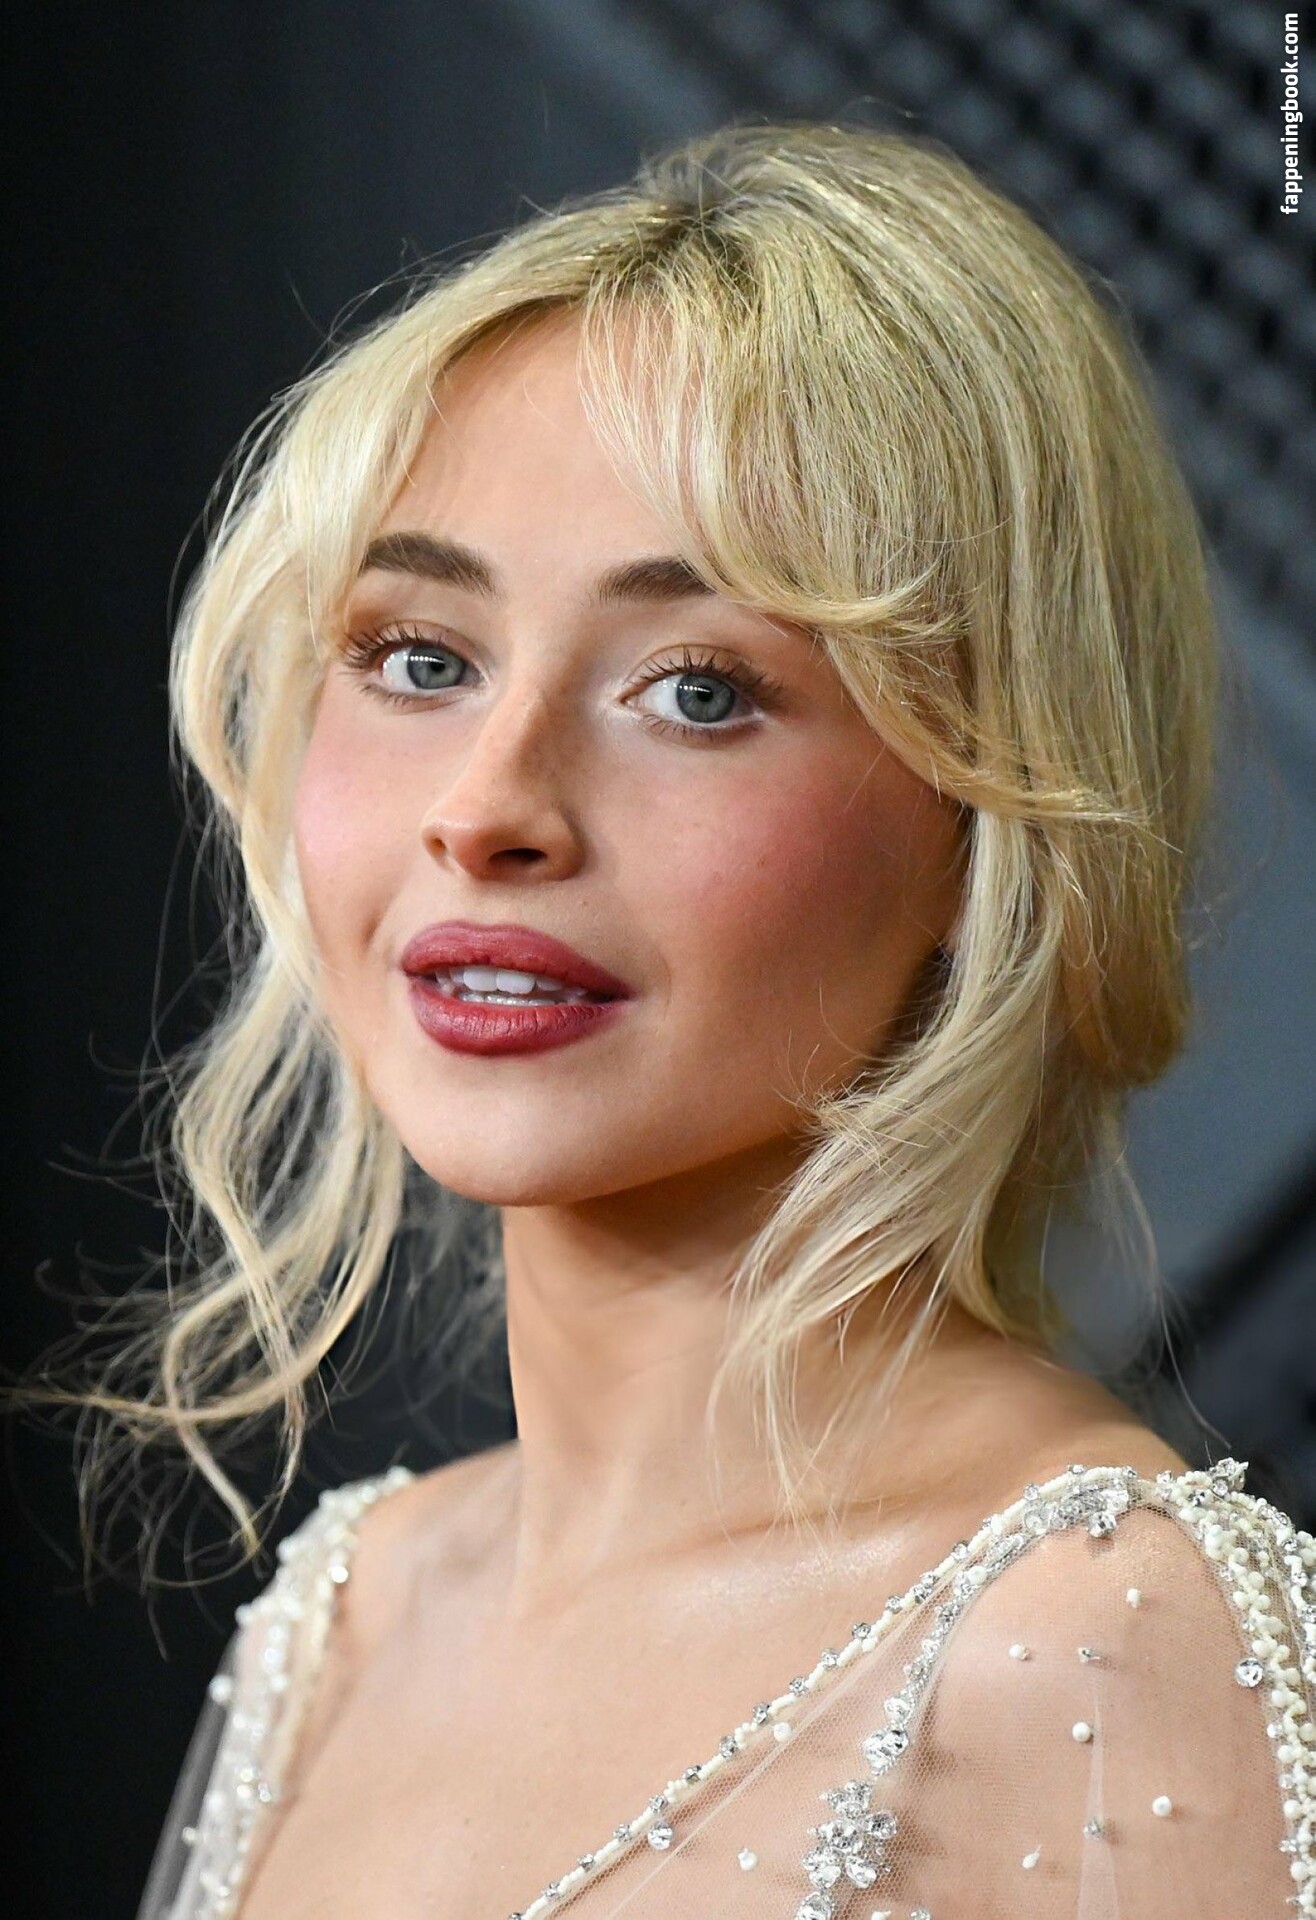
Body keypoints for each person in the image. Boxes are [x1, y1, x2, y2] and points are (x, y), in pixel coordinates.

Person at [28, 123, 1316, 1917]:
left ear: (991, 813)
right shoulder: (350, 1607)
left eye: (698, 690)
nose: (487, 807)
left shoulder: (1109, 1638)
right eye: (419, 657)